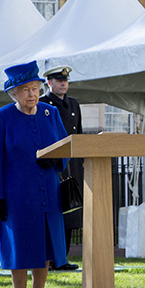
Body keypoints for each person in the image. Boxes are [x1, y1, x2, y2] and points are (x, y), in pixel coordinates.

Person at [0, 61, 68, 288]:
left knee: (44, 250)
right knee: (20, 250)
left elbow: (66, 147)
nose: (32, 94)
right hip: (17, 195)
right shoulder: (2, 116)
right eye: (25, 90)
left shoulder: (49, 113)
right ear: (13, 93)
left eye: (35, 88)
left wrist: (56, 161)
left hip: (48, 193)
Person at [40, 65, 82, 272]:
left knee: (71, 211)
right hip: (54, 165)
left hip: (71, 164)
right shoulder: (42, 104)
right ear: (49, 83)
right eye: (58, 81)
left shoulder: (73, 104)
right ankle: (54, 258)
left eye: (65, 81)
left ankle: (63, 258)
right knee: (55, 212)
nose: (63, 84)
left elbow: (79, 136)